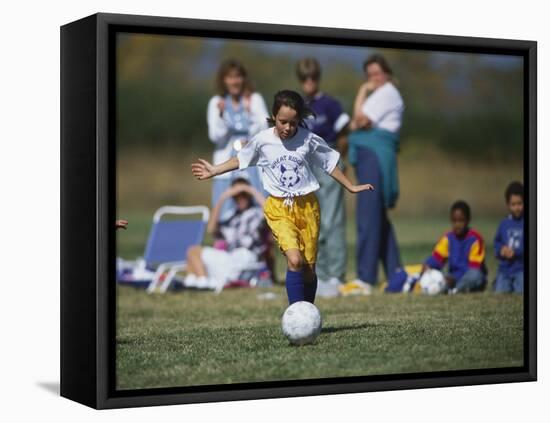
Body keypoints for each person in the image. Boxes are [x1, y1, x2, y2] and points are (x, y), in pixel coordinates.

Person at [192, 90, 374, 305]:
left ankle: (307, 311)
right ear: (273, 116)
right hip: (278, 207)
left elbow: (329, 163)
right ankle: (296, 311)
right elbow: (240, 159)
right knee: (294, 259)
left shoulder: (308, 140)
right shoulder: (263, 141)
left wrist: (350, 186)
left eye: (294, 123)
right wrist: (214, 170)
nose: (288, 128)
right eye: (283, 122)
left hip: (307, 207)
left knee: (308, 268)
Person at [343, 54, 404, 295]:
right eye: (369, 75)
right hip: (372, 154)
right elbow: (353, 124)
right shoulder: (382, 94)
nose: (374, 79)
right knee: (377, 216)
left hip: (375, 155)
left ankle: (365, 277)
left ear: (387, 74)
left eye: (377, 73)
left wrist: (361, 91)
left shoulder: (387, 92)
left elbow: (358, 120)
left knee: (368, 216)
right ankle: (395, 273)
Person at [295, 58, 350, 296]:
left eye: (313, 78)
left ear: (318, 78)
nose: (309, 83)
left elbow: (344, 135)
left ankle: (336, 274)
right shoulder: (297, 105)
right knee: (312, 221)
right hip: (305, 163)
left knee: (332, 220)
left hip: (327, 158)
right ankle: (322, 273)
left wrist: (339, 161)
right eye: (305, 78)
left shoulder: (330, 104)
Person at [206, 59, 269, 220]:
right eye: (230, 77)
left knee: (260, 210)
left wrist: (249, 112)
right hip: (226, 165)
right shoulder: (217, 102)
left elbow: (265, 128)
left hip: (253, 164)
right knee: (225, 212)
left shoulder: (254, 99)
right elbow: (215, 136)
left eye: (238, 77)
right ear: (224, 80)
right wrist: (221, 115)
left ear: (244, 79)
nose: (235, 81)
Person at [184, 177, 268, 292]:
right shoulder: (231, 216)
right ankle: (197, 282)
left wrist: (250, 190)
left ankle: (202, 282)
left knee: (193, 251)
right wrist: (223, 197)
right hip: (231, 258)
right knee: (192, 253)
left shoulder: (257, 213)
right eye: (236, 195)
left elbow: (270, 211)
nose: (240, 198)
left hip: (247, 258)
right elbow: (211, 229)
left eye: (243, 195)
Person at [423, 200, 487, 294]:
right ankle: (449, 288)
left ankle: (456, 290)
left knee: (475, 276)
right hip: (452, 276)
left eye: (461, 221)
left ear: (468, 220)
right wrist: (428, 265)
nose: (457, 225)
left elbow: (474, 267)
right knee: (436, 275)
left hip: (469, 276)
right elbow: (437, 258)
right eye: (454, 221)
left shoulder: (475, 239)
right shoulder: (448, 238)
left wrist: (455, 279)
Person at [494, 182, 524, 294]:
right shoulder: (504, 223)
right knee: (500, 293)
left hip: (521, 270)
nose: (517, 208)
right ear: (508, 204)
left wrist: (515, 252)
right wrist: (501, 250)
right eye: (513, 204)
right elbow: (497, 243)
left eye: (520, 204)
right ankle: (497, 283)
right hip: (505, 269)